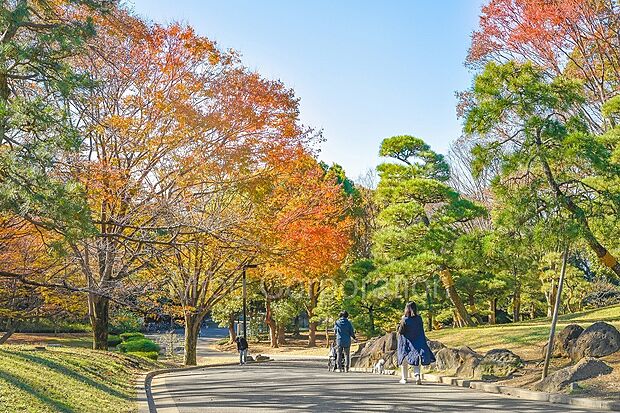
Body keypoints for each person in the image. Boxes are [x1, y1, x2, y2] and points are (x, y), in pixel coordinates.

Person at [397, 301, 435, 384]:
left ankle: (404, 378)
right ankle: (417, 376)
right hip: (418, 341)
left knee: (404, 360)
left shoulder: (405, 319)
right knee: (416, 358)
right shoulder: (419, 318)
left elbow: (401, 331)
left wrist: (401, 321)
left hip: (406, 342)